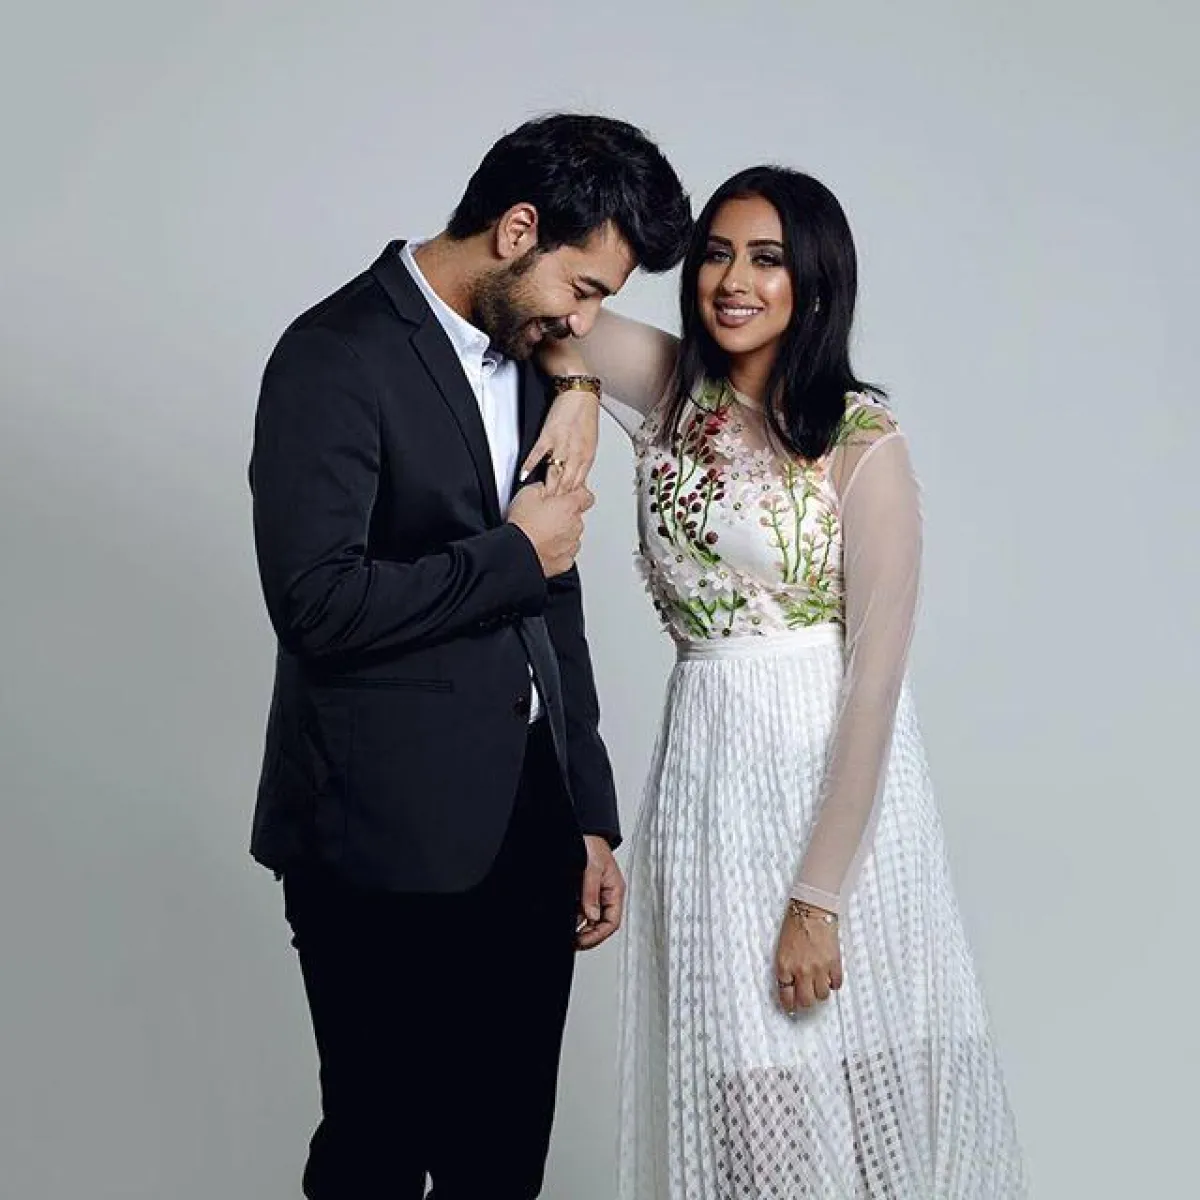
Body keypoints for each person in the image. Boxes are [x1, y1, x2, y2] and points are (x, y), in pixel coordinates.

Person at [534, 165, 1028, 1197]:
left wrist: (818, 897)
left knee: (863, 1111)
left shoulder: (860, 441)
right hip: (709, 790)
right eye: (716, 254)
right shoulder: (674, 387)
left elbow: (874, 686)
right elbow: (546, 306)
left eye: (766, 259)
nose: (733, 281)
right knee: (749, 1121)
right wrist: (577, 394)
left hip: (831, 803)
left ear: (815, 280)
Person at [247, 113, 691, 1199]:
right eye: (583, 289)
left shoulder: (538, 357)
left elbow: (557, 594)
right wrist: (511, 554)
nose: (583, 323)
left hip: (529, 826)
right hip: (376, 832)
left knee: (502, 1165)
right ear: (517, 229)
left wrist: (586, 811)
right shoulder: (334, 354)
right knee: (377, 1157)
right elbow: (316, 604)